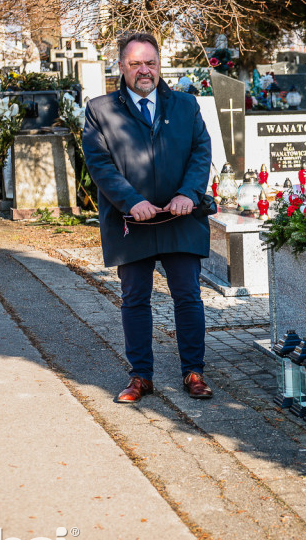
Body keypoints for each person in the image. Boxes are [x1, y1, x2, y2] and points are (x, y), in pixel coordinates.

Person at [82, 32, 214, 403]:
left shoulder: (186, 105)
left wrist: (189, 193)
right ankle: (141, 377)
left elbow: (201, 151)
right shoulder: (100, 109)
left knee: (188, 296)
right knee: (135, 299)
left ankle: (194, 372)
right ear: (121, 67)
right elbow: (100, 163)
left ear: (160, 65)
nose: (144, 70)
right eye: (136, 63)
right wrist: (130, 201)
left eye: (151, 63)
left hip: (181, 218)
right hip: (131, 222)